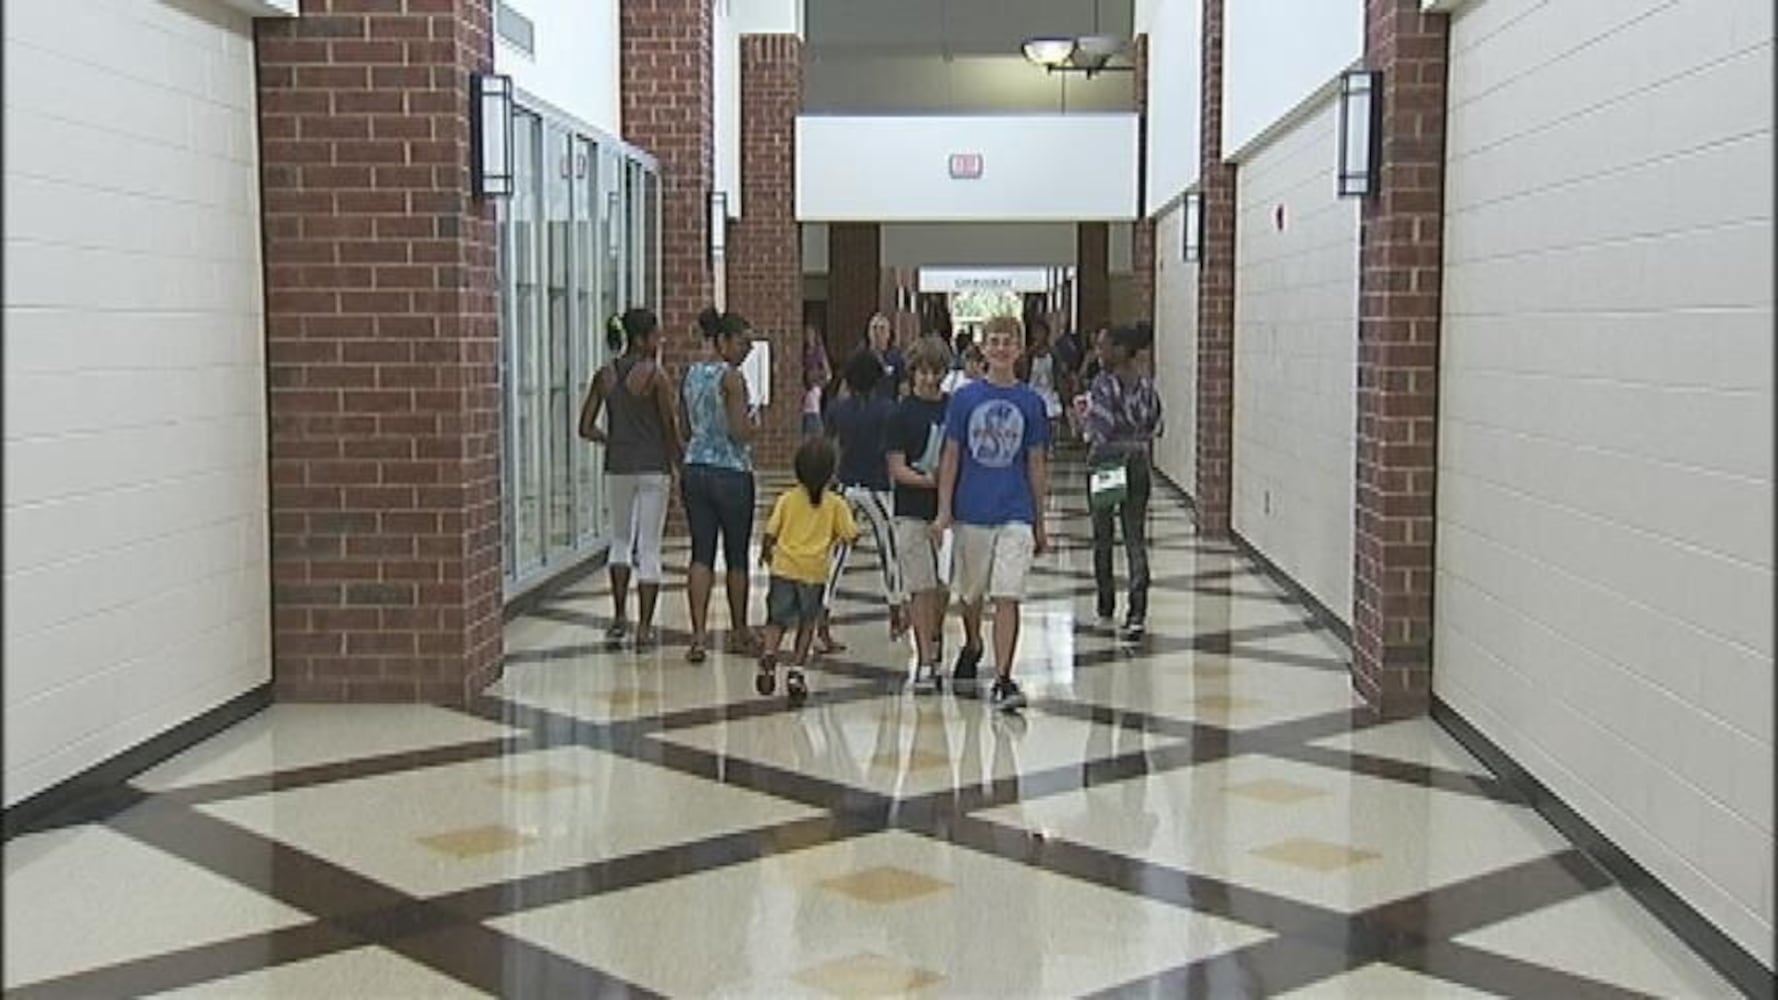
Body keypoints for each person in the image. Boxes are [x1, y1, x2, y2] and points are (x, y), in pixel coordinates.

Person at [931, 314, 1050, 712]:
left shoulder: (1031, 403)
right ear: (983, 348)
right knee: (972, 594)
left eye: (1008, 341)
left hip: (1014, 511)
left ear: (1019, 349)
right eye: (994, 341)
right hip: (972, 511)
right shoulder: (965, 400)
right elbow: (952, 454)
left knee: (1007, 594)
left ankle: (1003, 676)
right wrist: (945, 509)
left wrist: (1039, 520)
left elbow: (1036, 462)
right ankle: (973, 641)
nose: (1001, 348)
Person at [577, 307, 681, 650]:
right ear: (641, 338)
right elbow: (669, 425)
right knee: (649, 547)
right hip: (653, 467)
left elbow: (585, 426)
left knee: (620, 540)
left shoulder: (604, 375)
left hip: (618, 465)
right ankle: (645, 629)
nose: (659, 340)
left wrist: (611, 439)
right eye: (656, 334)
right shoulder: (656, 376)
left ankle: (620, 617)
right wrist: (678, 461)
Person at [680, 306, 758, 664]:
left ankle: (698, 635)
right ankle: (740, 631)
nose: (747, 351)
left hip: (695, 466)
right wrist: (756, 427)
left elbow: (686, 426)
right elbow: (739, 431)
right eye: (743, 343)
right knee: (737, 554)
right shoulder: (731, 379)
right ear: (723, 341)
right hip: (730, 471)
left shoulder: (692, 375)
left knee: (701, 552)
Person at [757, 437, 858, 706]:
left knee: (776, 619)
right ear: (831, 472)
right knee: (806, 623)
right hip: (814, 574)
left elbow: (770, 533)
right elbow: (850, 535)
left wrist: (765, 553)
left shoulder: (787, 499)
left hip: (783, 568)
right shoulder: (836, 504)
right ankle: (796, 672)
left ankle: (769, 654)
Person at [1079, 324, 1163, 641]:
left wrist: (1084, 420)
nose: (1098, 353)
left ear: (1120, 350)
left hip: (1108, 464)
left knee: (1104, 535)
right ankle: (1137, 612)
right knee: (1134, 537)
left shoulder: (1103, 385)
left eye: (1103, 347)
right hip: (1138, 462)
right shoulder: (1146, 386)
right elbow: (1156, 422)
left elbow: (1099, 431)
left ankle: (1106, 603)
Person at [886, 335, 954, 693]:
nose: (930, 379)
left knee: (944, 587)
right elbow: (896, 468)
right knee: (921, 586)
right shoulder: (901, 414)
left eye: (937, 371)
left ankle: (936, 636)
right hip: (912, 511)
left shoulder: (954, 409)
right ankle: (925, 659)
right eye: (924, 372)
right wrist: (931, 482)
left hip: (949, 512)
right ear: (913, 372)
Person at [824, 351, 907, 640]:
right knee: (889, 548)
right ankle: (896, 610)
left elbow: (831, 446)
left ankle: (823, 612)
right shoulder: (889, 410)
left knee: (838, 551)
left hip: (846, 485)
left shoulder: (837, 409)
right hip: (877, 486)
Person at [848, 312, 905, 401]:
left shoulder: (896, 357)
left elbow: (903, 386)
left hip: (888, 407)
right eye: (874, 328)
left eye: (882, 328)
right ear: (868, 332)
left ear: (889, 333)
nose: (877, 332)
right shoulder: (858, 356)